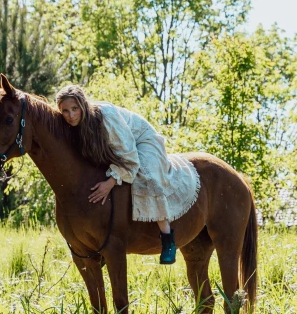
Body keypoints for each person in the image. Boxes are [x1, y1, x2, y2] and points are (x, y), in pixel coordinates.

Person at [55, 85, 200, 265]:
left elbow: (129, 155)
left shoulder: (105, 117)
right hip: (118, 148)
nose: (71, 115)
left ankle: (167, 237)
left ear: (83, 105)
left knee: (148, 177)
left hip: (141, 141)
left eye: (75, 109)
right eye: (65, 111)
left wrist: (111, 182)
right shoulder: (75, 125)